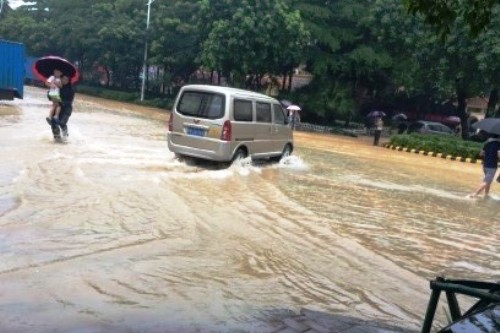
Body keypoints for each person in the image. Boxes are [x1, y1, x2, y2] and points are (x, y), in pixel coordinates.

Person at [469, 133, 500, 198]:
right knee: (486, 181)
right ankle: (475, 194)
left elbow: (481, 154)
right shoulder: (498, 144)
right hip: (492, 166)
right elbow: (499, 154)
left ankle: (486, 194)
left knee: (489, 180)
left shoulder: (487, 144)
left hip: (485, 165)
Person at [50, 75, 75, 141]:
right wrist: (50, 95)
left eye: (66, 79)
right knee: (53, 122)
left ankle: (65, 137)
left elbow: (70, 101)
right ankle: (57, 138)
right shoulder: (56, 87)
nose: (64, 80)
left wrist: (61, 102)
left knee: (62, 123)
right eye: (63, 79)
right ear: (60, 79)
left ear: (69, 81)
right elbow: (50, 95)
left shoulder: (71, 90)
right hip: (57, 108)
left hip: (67, 109)